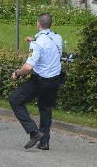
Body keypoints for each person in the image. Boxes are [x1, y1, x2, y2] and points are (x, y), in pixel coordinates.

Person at [8, 13, 63, 150]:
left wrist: (17, 73)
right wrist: (33, 40)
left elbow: (27, 68)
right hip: (55, 80)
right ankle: (44, 142)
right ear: (50, 24)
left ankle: (33, 132)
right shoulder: (57, 38)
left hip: (41, 81)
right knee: (45, 108)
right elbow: (47, 44)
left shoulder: (37, 44)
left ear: (38, 24)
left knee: (15, 99)